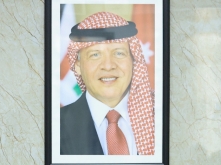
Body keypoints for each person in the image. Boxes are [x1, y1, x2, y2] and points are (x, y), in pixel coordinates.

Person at [60, 12, 154, 156]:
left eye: (119, 53)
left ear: (133, 60)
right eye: (95, 55)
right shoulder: (55, 126)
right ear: (77, 65)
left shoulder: (161, 117)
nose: (108, 66)